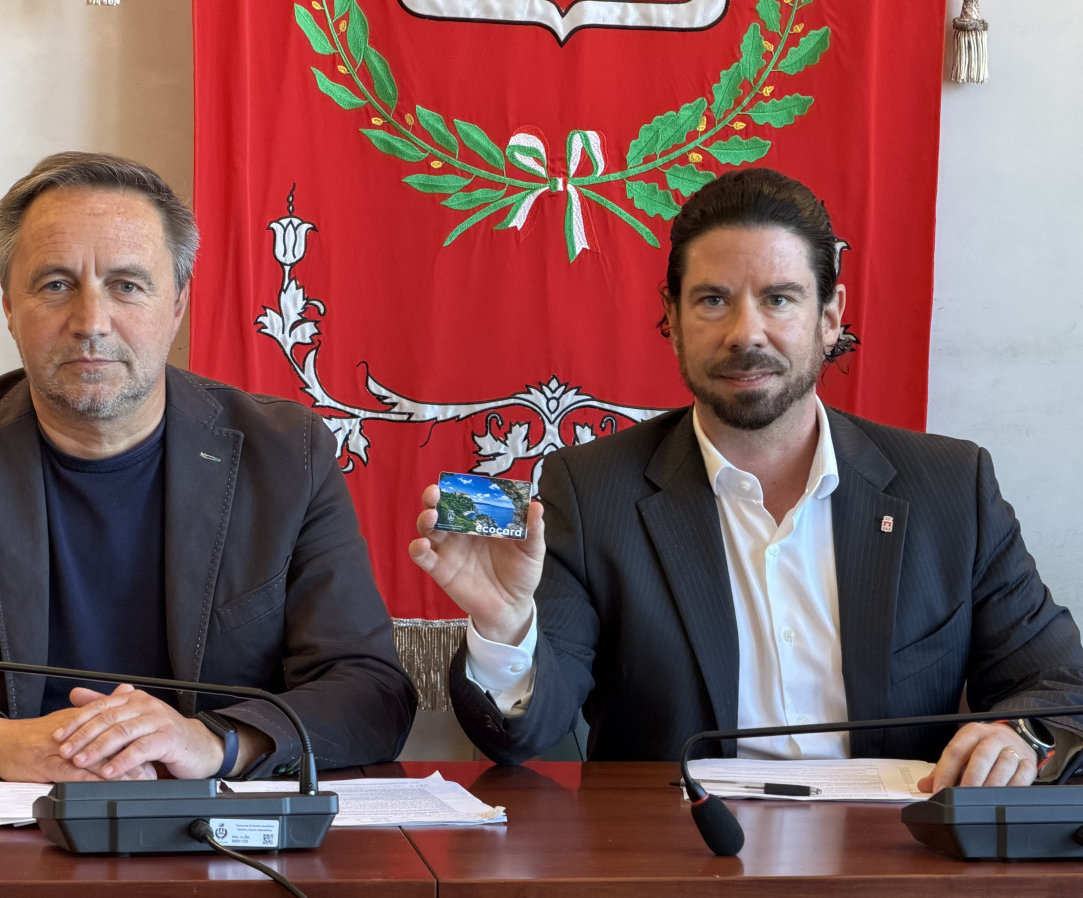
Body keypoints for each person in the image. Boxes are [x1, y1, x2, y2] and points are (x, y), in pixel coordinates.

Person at [411, 168, 1083, 792]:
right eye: (713, 300)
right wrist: (506, 626)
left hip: (896, 853)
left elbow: (1061, 687)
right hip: (680, 853)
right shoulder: (592, 491)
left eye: (779, 299)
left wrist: (1021, 738)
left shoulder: (951, 487)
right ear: (673, 318)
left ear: (830, 316)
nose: (746, 333)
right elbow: (522, 735)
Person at [0, 151, 416, 783]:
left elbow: (370, 691)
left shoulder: (285, 453)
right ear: (8, 307)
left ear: (178, 304)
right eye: (55, 285)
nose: (90, 323)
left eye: (127, 286)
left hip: (212, 824)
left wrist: (216, 743)